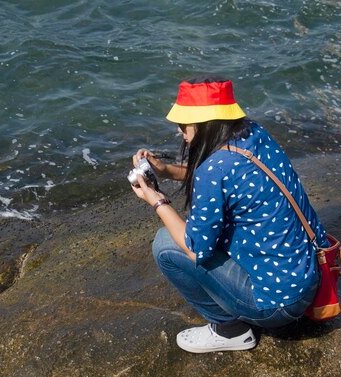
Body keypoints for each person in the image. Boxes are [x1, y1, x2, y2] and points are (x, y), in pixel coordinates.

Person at [130, 75, 329, 353]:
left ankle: (230, 329)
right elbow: (219, 177)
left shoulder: (214, 170)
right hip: (306, 279)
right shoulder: (253, 133)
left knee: (165, 245)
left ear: (204, 124)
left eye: (183, 122)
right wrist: (166, 170)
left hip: (278, 305)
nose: (178, 130)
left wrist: (156, 199)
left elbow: (193, 248)